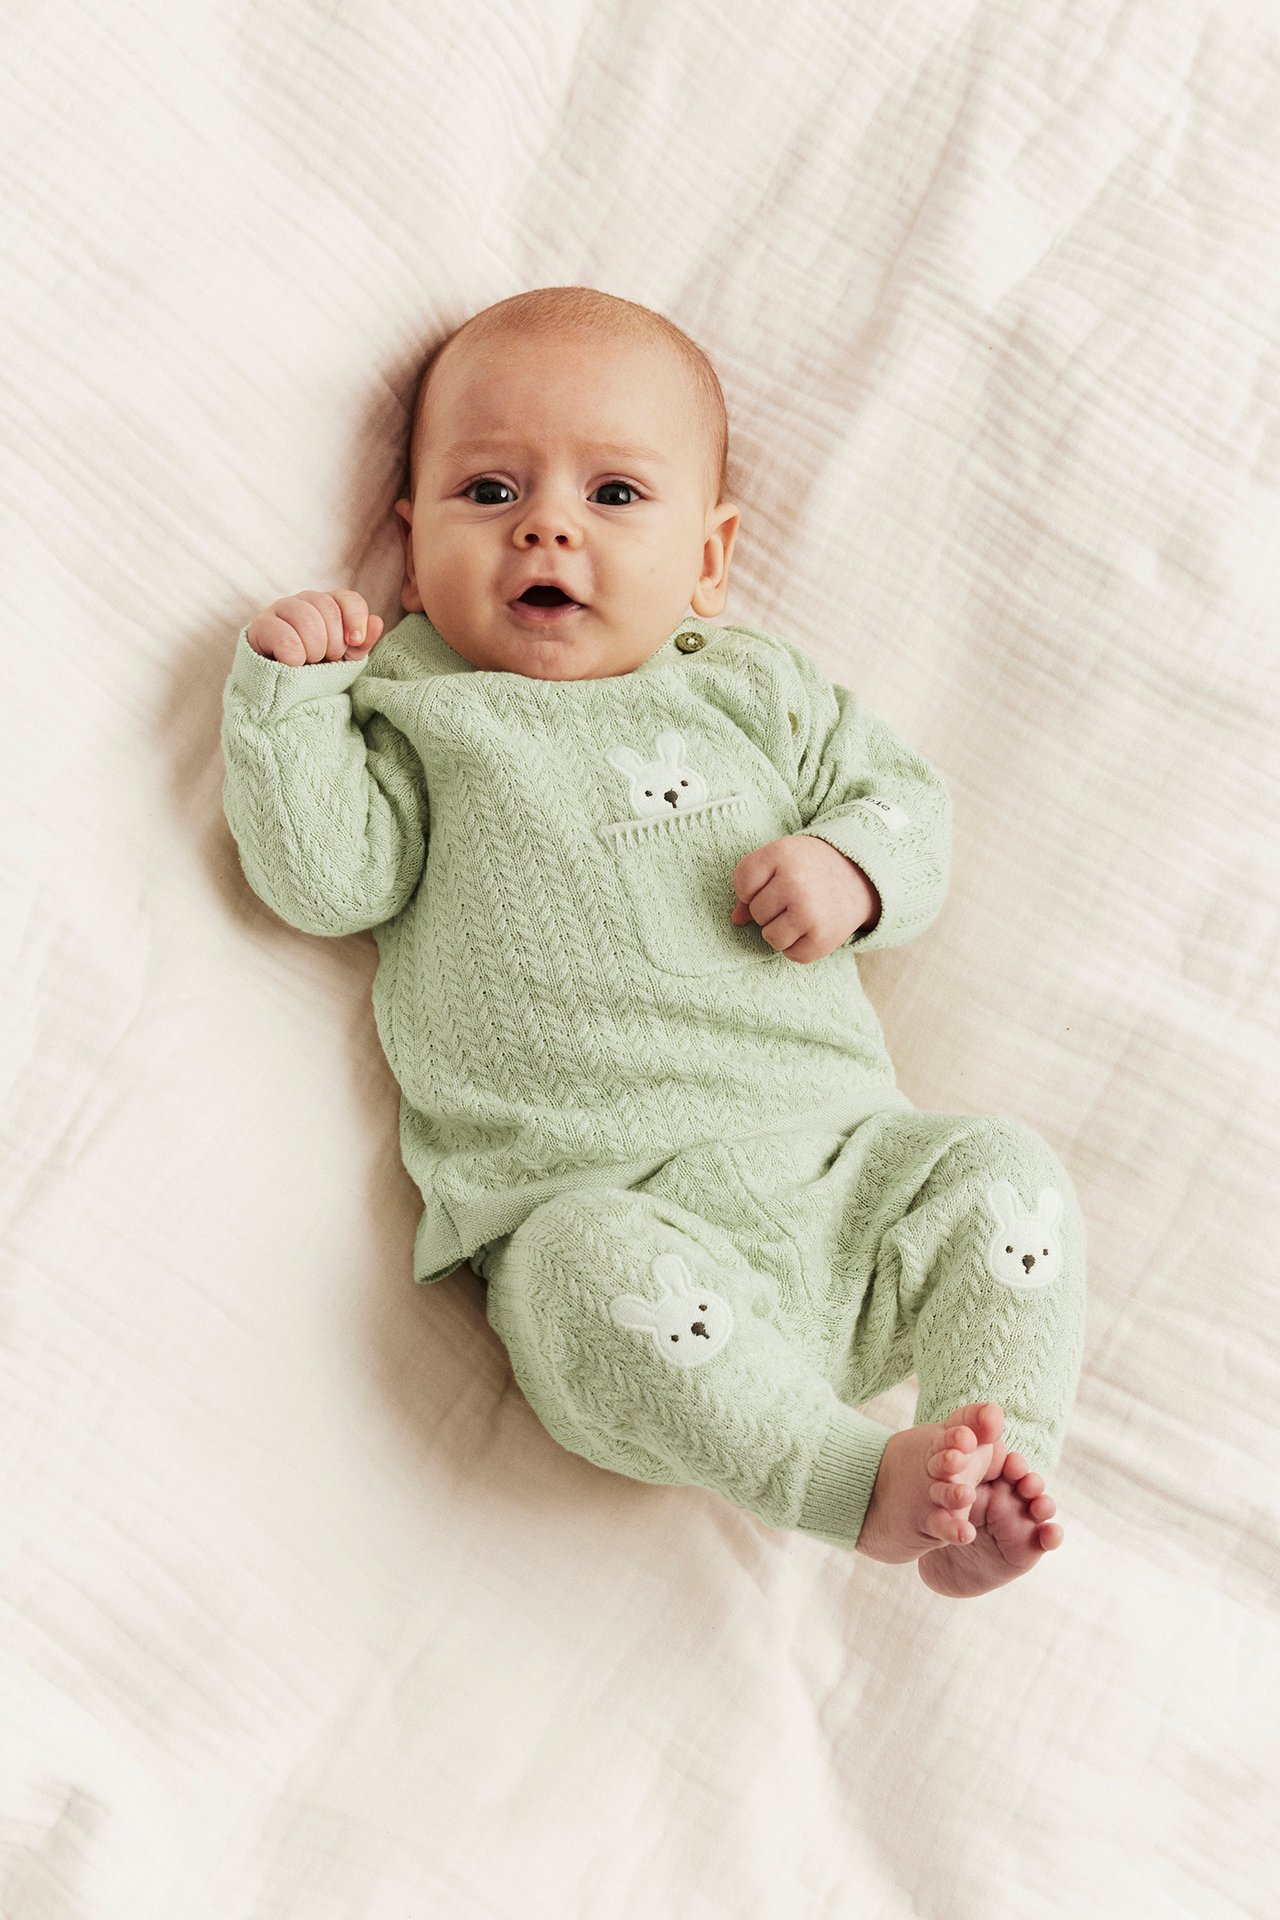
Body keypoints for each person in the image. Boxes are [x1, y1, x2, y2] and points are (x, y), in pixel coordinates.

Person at [220, 285, 1087, 1598]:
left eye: (615, 495)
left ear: (709, 555)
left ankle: (996, 1467)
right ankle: (854, 1483)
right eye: (488, 491)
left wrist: (854, 867)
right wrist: (287, 703)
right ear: (409, 539)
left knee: (1003, 1172)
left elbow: (909, 801)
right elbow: (326, 877)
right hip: (625, 1237)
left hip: (851, 1181)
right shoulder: (416, 710)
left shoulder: (758, 689)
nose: (548, 525)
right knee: (576, 1267)